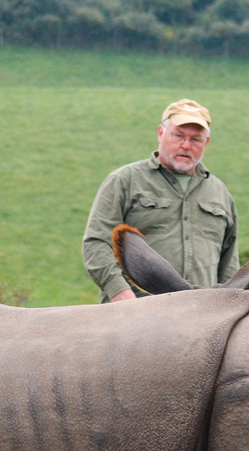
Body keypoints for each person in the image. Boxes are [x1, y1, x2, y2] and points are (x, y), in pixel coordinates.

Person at [82, 99, 239, 303]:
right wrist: (120, 292)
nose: (186, 145)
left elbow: (229, 264)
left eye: (195, 139)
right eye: (178, 136)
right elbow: (96, 243)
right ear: (160, 133)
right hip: (137, 314)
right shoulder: (124, 181)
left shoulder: (220, 193)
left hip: (201, 317)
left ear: (206, 143)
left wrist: (228, 304)